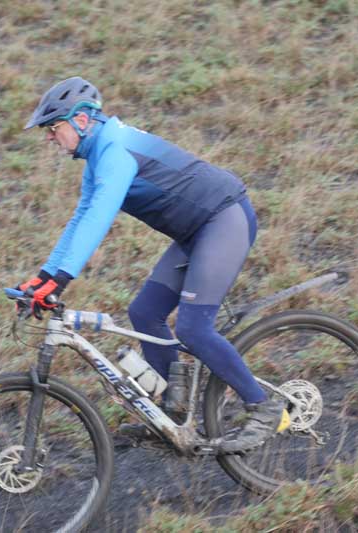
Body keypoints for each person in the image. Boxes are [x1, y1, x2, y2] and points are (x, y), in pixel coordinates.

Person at [16, 76, 288, 451]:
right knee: (144, 313)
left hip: (224, 220)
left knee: (193, 328)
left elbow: (99, 217)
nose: (49, 137)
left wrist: (60, 280)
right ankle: (171, 412)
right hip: (197, 232)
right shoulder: (97, 158)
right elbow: (81, 218)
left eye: (53, 127)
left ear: (81, 120)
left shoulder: (115, 149)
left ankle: (265, 407)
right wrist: (44, 277)